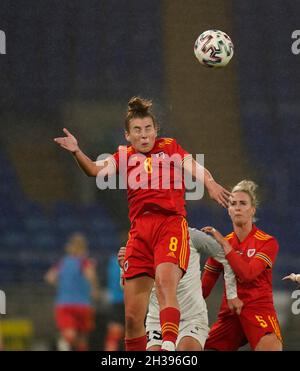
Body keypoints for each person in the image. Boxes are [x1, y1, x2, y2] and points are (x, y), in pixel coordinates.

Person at [54, 96, 230, 351]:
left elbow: (194, 167)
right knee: (132, 317)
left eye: (148, 129)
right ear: (127, 135)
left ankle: (168, 350)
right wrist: (76, 151)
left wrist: (210, 184)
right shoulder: (123, 155)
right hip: (139, 232)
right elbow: (93, 170)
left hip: (170, 224)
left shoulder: (169, 147)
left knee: (164, 283)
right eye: (137, 130)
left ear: (155, 131)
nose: (144, 135)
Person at [118, 227, 242, 351]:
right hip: (157, 320)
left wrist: (232, 294)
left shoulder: (192, 236)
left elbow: (226, 256)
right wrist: (125, 268)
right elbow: (130, 290)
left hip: (190, 318)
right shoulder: (139, 243)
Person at [201, 180, 283, 351]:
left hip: (258, 309)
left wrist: (225, 246)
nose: (237, 207)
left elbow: (248, 274)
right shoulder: (223, 243)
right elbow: (203, 289)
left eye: (243, 203)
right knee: (191, 347)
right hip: (230, 314)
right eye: (233, 204)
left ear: (252, 210)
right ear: (229, 211)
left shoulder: (267, 242)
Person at [44, 232, 100, 351]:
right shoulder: (85, 262)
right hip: (83, 304)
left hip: (64, 303)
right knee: (83, 337)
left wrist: (63, 285)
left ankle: (63, 343)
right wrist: (94, 289)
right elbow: (90, 276)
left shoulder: (63, 262)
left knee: (69, 334)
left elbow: (49, 277)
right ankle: (66, 343)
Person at [103, 254, 125, 351]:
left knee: (113, 336)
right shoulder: (136, 258)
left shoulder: (113, 261)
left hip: (115, 301)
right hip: (131, 300)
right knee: (135, 335)